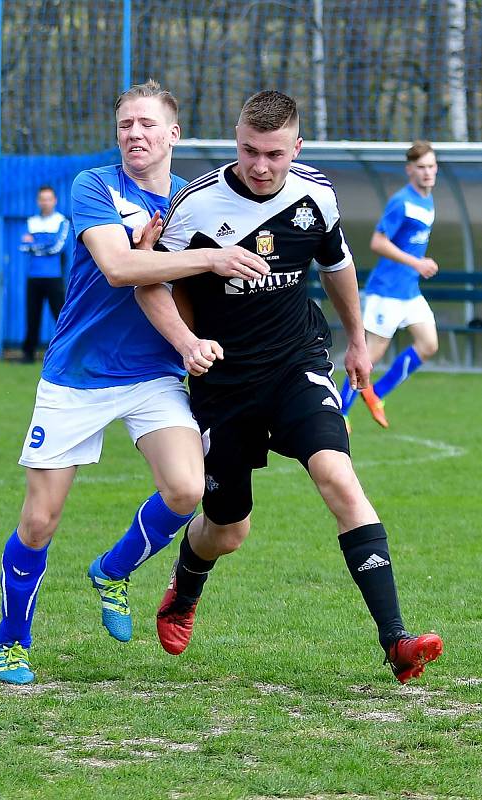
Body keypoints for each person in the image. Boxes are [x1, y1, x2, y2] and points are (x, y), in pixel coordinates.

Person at [135, 91, 443, 684]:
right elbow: (154, 283)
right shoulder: (195, 206)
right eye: (249, 150)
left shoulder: (316, 194)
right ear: (236, 139)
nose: (260, 165)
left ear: (295, 148)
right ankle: (186, 586)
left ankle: (397, 642)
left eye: (274, 154)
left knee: (338, 475)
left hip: (296, 364)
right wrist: (185, 344)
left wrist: (356, 340)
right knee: (227, 528)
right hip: (223, 383)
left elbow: (338, 266)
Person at [0, 80, 269, 685]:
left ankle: (113, 570)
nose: (134, 135)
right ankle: (13, 643)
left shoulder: (196, 202)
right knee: (39, 520)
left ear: (173, 134)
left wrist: (204, 341)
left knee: (186, 487)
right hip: (79, 373)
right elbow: (119, 267)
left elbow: (203, 290)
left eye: (147, 125)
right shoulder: (94, 186)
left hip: (153, 373)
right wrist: (207, 257)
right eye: (125, 125)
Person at [340, 141, 439, 431]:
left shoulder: (427, 199)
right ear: (410, 170)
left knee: (429, 344)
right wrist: (417, 263)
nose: (427, 172)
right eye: (421, 167)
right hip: (387, 291)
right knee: (369, 356)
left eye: (431, 166)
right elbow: (378, 242)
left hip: (409, 291)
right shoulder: (402, 201)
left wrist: (415, 267)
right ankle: (340, 411)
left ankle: (377, 393)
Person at [19, 186, 69, 363]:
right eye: (42, 199)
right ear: (38, 201)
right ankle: (28, 354)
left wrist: (35, 246)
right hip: (34, 276)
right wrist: (42, 246)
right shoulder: (31, 221)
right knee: (32, 316)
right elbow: (23, 246)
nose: (45, 202)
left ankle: (67, 354)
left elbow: (57, 247)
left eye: (48, 198)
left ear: (54, 200)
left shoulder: (61, 221)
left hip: (53, 276)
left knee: (61, 317)